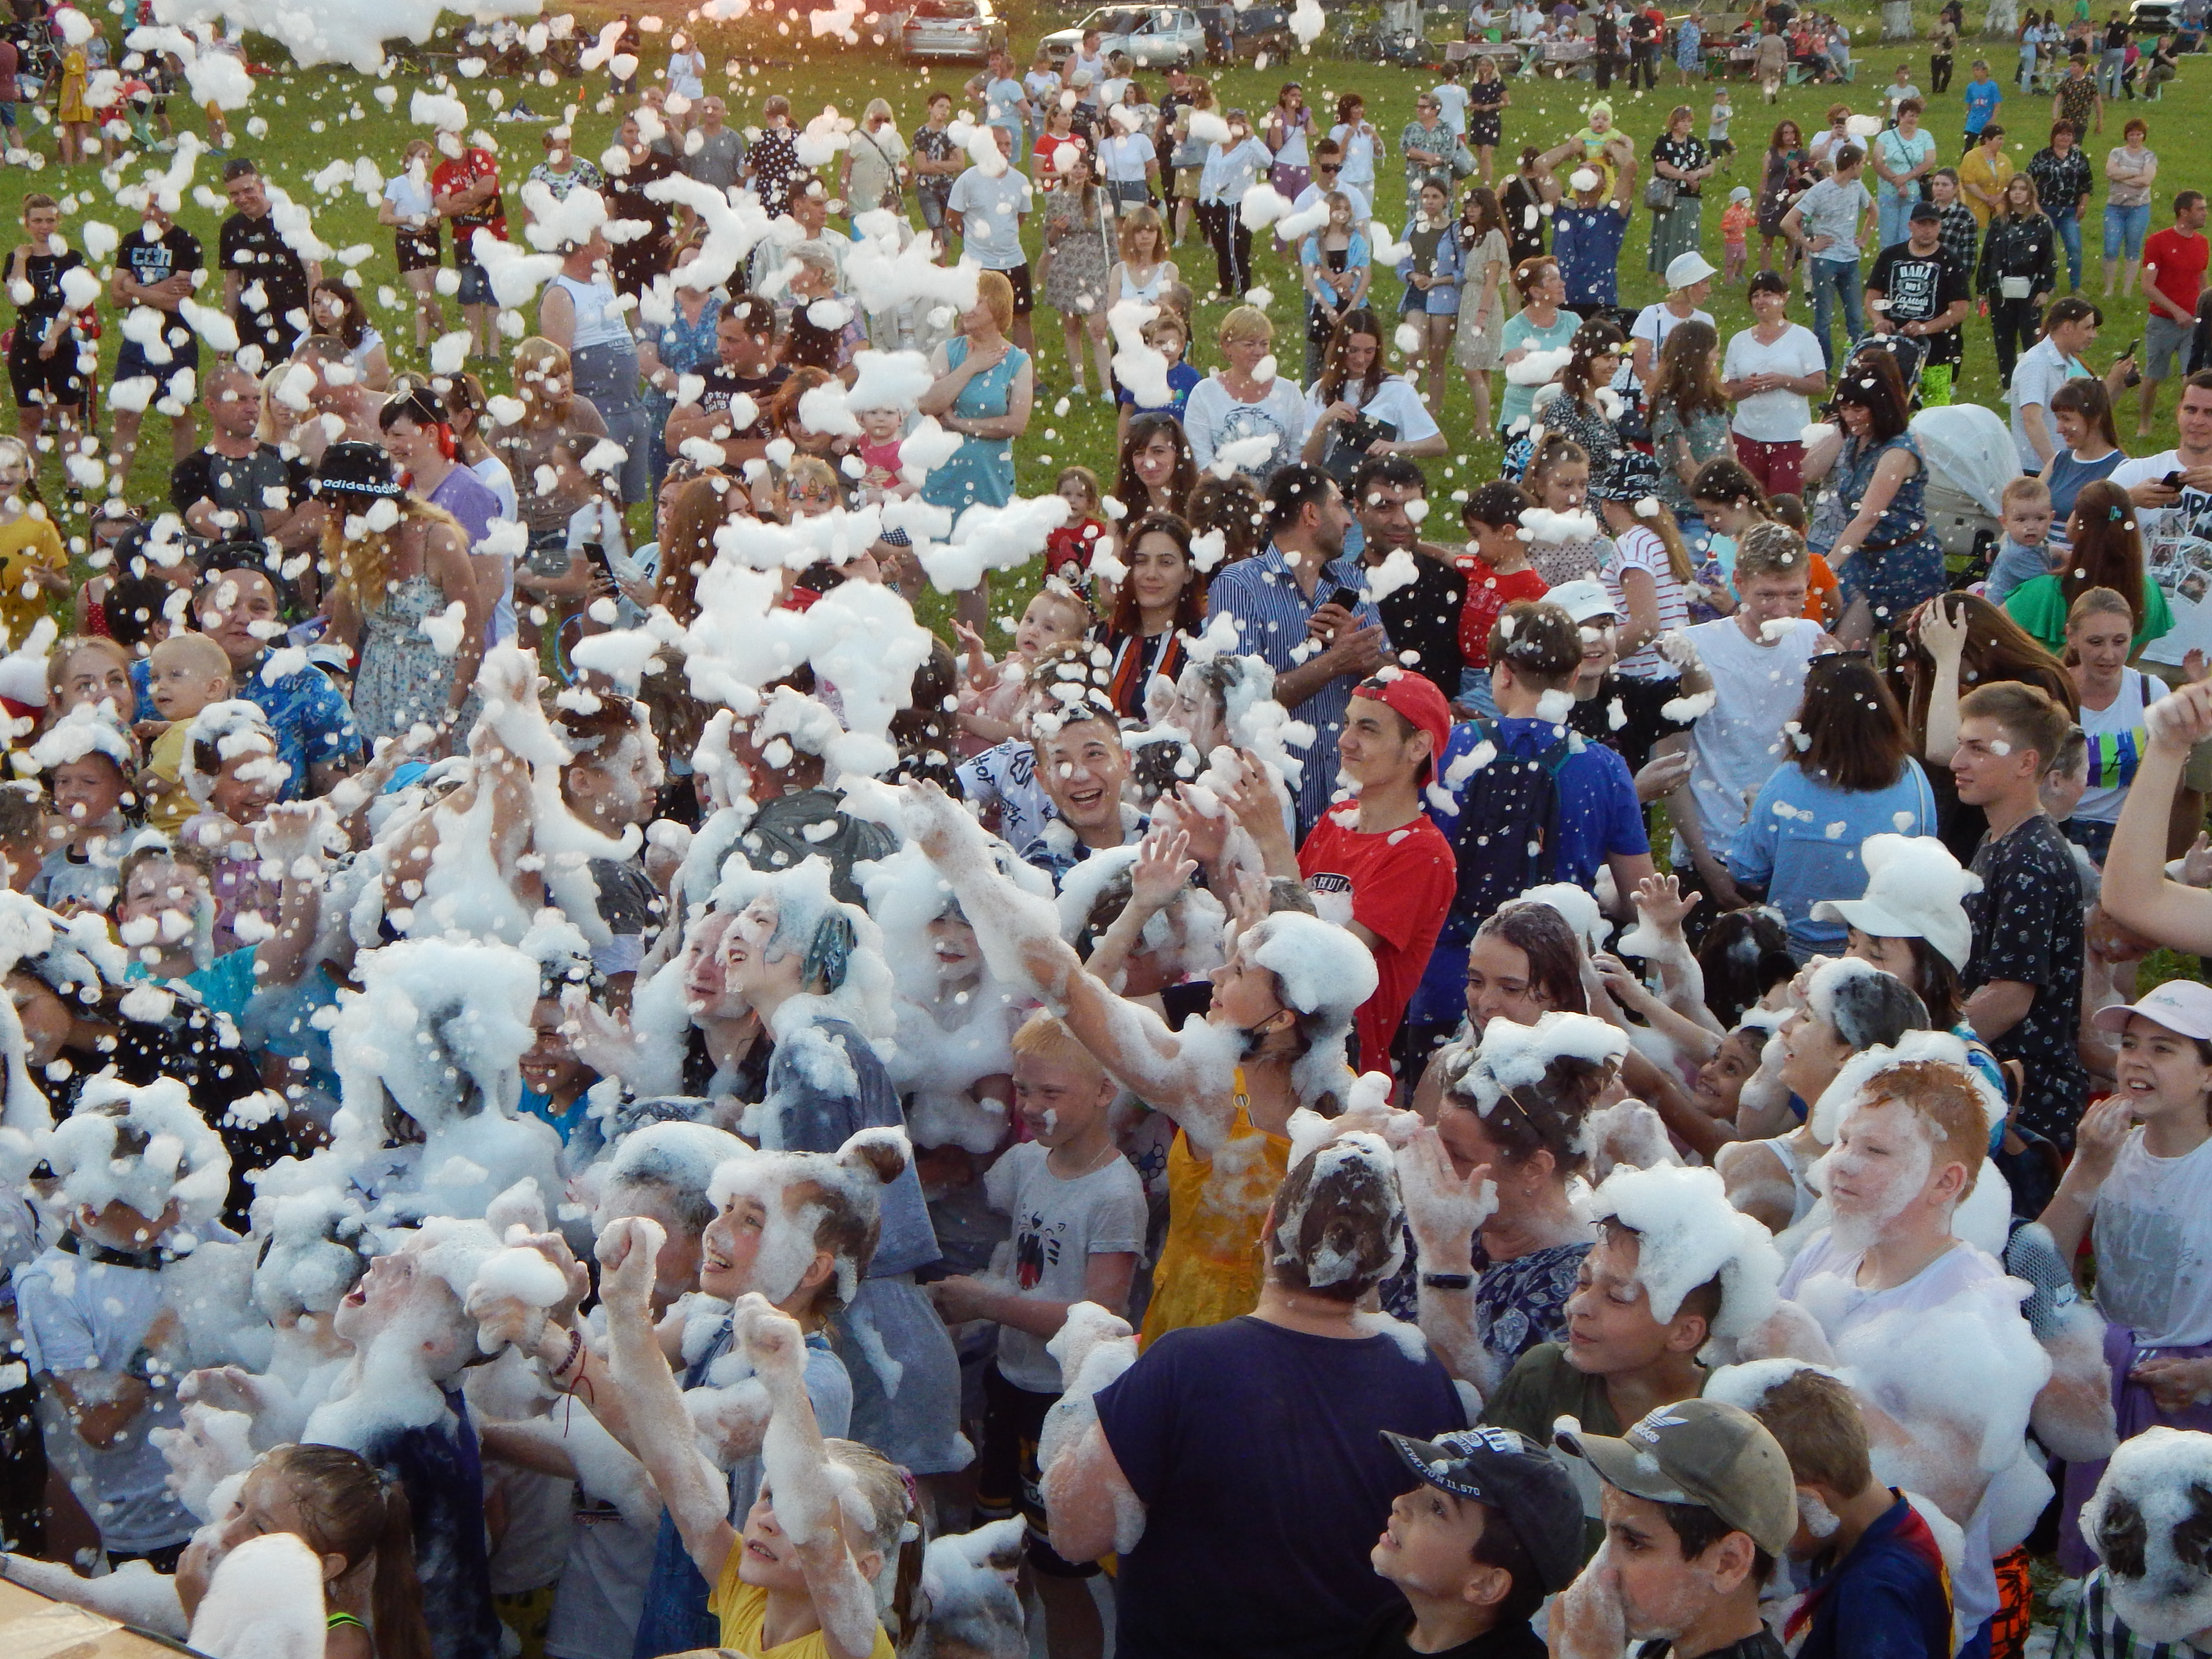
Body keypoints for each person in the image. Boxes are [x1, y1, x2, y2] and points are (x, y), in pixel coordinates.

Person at [1042, 1133, 1470, 1659]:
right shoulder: (1421, 1378)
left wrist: (1086, 1381)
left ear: (1270, 1227)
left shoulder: (1185, 1367)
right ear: (1389, 1260)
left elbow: (1074, 1532)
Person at [1205, 463, 1384, 832]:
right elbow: (1240, 701)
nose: (1350, 521)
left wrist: (1365, 658)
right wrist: (1334, 662)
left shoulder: (1353, 580)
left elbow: (1393, 678)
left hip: (1348, 794)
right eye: (1340, 506)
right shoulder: (1240, 584)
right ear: (1311, 514)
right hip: (1273, 799)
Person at [1731, 1365, 1956, 1659]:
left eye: (1765, 1510)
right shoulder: (1891, 1518)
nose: (1759, 1528)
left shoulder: (1874, 1597)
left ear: (1810, 1501)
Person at [1951, 680, 2092, 1145]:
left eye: (1978, 749)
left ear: (2026, 763)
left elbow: (2010, 998)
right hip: (1996, 1082)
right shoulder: (1999, 841)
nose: (1958, 763)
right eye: (1961, 746)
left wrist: (1933, 1048)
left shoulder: (2031, 856)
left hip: (2028, 1102)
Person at [1547, 1398, 1798, 1659]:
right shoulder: (1664, 1645)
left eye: (1634, 1543)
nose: (1601, 1572)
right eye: (1608, 1535)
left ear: (1728, 1563)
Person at [1730, 655, 1938, 960]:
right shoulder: (1913, 777)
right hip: (1884, 949)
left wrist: (1750, 816)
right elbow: (1925, 853)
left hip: (1797, 950)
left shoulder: (1788, 781)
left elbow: (1746, 870)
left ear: (1810, 716)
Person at [1672, 523, 1824, 908]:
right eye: (1767, 596)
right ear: (1739, 582)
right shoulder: (1698, 647)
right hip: (1715, 847)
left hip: (1787, 849)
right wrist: (1707, 867)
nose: (1781, 610)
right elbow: (1671, 766)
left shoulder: (1812, 639)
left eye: (1794, 595)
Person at [315, 443, 488, 751]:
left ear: (359, 501)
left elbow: (472, 637)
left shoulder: (437, 539)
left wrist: (449, 720)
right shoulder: (353, 542)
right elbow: (342, 634)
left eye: (331, 500)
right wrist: (293, 668)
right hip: (377, 690)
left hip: (440, 692)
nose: (325, 510)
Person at [1359, 1427, 1581, 1659]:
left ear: (1486, 1584)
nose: (1400, 1502)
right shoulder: (1388, 1625)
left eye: (1438, 1508)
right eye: (1421, 1486)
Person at [1803, 350, 1946, 646]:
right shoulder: (1853, 437)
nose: (1850, 417)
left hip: (1904, 561)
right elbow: (1806, 472)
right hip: (1865, 558)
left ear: (1879, 407)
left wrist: (1826, 568)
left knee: (1899, 654)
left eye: (1859, 410)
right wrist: (1840, 430)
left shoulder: (1899, 450)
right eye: (1844, 409)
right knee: (1845, 645)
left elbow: (1868, 516)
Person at [918, 273, 1034, 629]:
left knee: (974, 571)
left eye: (976, 300)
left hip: (987, 477)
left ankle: (971, 655)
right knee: (918, 560)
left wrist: (963, 426)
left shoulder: (1018, 362)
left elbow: (1016, 423)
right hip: (944, 472)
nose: (967, 307)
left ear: (997, 307)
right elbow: (928, 402)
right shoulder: (949, 352)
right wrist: (971, 367)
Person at [2004, 478, 2173, 656]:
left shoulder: (2044, 592)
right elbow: (2128, 663)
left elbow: (1987, 637)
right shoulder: (2150, 593)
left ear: (2077, 524)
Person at [106, 192, 203, 481]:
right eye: (145, 205)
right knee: (126, 414)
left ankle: (183, 482)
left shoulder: (187, 243)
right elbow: (115, 298)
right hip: (137, 336)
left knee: (178, 411)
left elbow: (177, 302)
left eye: (156, 206)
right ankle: (116, 487)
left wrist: (135, 290)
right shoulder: (131, 241)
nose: (150, 212)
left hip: (175, 337)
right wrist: (160, 289)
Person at [1303, 311, 1447, 483]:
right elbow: (1308, 464)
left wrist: (1398, 447)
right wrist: (1324, 422)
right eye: (1353, 350)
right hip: (1331, 489)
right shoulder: (1320, 389)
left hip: (1379, 488)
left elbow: (1438, 444)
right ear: (1340, 348)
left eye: (1369, 351)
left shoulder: (1397, 389)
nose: (1361, 359)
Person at [1721, 271, 1826, 495]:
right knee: (1748, 503)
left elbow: (1819, 385)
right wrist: (1747, 387)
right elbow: (1727, 391)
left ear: (1784, 298)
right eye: (1756, 296)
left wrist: (1784, 381)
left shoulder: (1803, 338)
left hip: (1790, 436)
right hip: (1747, 435)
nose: (1761, 301)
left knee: (1784, 505)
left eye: (1768, 294)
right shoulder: (1739, 341)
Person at [1183, 307, 1309, 488]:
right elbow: (1200, 460)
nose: (1259, 352)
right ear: (1227, 347)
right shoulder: (1204, 393)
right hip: (1223, 499)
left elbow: (1297, 455)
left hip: (1280, 500)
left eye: (1264, 344)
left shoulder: (1290, 392)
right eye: (1249, 345)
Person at [1864, 202, 1974, 408]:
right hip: (1894, 352)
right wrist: (1879, 320)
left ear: (1940, 227)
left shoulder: (1950, 261)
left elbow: (1960, 310)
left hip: (1938, 354)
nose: (1927, 230)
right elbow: (1872, 297)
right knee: (1893, 410)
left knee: (1936, 416)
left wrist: (1924, 328)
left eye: (1932, 225)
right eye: (1922, 224)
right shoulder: (1890, 256)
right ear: (1911, 226)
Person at [2009, 296, 2136, 471]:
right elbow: (2031, 419)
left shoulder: (2068, 363)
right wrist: (2054, 469)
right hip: (2036, 471)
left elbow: (2092, 415)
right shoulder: (2036, 363)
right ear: (2068, 328)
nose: (2094, 335)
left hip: (2061, 465)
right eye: (2088, 328)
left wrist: (2118, 383)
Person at [1781, 143, 1875, 370]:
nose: (1864, 168)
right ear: (1853, 165)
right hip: (1826, 261)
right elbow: (1788, 222)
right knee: (1823, 318)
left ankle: (1859, 365)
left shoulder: (1857, 186)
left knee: (1856, 318)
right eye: (1862, 164)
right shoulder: (1820, 190)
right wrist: (1810, 244)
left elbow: (1873, 210)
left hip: (1850, 260)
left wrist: (1863, 239)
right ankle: (1823, 367)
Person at [946, 129, 1036, 354]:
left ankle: (1028, 375)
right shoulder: (968, 180)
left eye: (1008, 144)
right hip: (980, 264)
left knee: (1022, 317)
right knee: (970, 319)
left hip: (1014, 261)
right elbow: (952, 218)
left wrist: (1002, 237)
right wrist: (976, 239)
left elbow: (1019, 218)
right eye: (999, 145)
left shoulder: (1020, 181)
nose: (1005, 150)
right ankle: (954, 363)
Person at [1037, 153, 1116, 399]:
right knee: (1071, 326)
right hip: (1066, 266)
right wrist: (1056, 230)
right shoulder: (1056, 198)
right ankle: (1079, 383)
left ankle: (1107, 387)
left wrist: (1116, 269)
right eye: (1074, 166)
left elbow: (1111, 234)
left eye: (1084, 166)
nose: (1079, 171)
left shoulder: (1100, 195)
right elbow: (1048, 241)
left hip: (1095, 265)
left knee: (1098, 328)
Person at [1539, 137, 1638, 319]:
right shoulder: (1561, 211)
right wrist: (1571, 148)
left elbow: (1630, 166)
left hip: (1601, 302)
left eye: (1594, 170)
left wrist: (1611, 147)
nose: (1586, 171)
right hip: (1561, 300)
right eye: (1580, 169)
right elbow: (1541, 165)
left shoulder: (1613, 213)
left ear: (1604, 183)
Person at [2140, 191, 2208, 439]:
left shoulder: (2202, 243)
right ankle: (2145, 423)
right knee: (2154, 375)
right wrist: (2175, 310)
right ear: (2184, 212)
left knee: (2192, 378)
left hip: (2194, 323)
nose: (2205, 214)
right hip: (2163, 323)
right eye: (2200, 209)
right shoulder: (2158, 242)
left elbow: (2202, 279)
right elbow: (2147, 285)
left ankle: (2190, 426)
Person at [1982, 173, 2061, 388]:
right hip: (2001, 290)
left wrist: (2046, 289)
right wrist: (1983, 289)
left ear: (2030, 193)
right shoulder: (1999, 223)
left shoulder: (2042, 223)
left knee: (2031, 340)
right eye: (2014, 188)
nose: (2018, 193)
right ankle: (2008, 384)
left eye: (2022, 189)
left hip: (2031, 290)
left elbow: (2050, 259)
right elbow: (1988, 256)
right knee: (2003, 339)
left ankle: (2032, 383)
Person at [430, 137, 505, 362]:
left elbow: (487, 188)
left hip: (495, 237)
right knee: (469, 293)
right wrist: (471, 198)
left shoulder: (480, 157)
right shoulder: (440, 172)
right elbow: (444, 206)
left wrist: (458, 201)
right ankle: (477, 348)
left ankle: (494, 350)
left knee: (495, 294)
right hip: (465, 241)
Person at [1497, 257, 1580, 439]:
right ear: (1535, 291)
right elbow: (1521, 374)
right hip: (1523, 420)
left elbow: (1586, 362)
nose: (1563, 284)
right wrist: (1562, 374)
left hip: (1567, 419)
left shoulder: (1573, 321)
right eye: (1554, 280)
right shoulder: (1514, 328)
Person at [1299, 193, 1373, 385]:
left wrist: (1352, 308)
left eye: (1346, 209)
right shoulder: (1313, 243)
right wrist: (1326, 308)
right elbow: (1309, 280)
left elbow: (1366, 277)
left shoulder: (1357, 240)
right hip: (1327, 304)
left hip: (1355, 303)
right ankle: (1330, 392)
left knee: (1358, 353)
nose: (1343, 213)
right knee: (1331, 357)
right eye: (1338, 208)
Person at [1197, 108, 1272, 300]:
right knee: (1221, 248)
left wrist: (1252, 138)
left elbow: (1267, 161)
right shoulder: (1216, 146)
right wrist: (1205, 197)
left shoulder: (1249, 148)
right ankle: (1225, 290)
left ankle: (1243, 290)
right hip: (1217, 203)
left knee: (1236, 249)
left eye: (1239, 122)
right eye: (1231, 122)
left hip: (1238, 204)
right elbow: (1209, 172)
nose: (1234, 127)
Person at [1648, 105, 1714, 280]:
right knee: (1666, 237)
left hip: (1690, 199)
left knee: (1688, 238)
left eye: (1689, 121)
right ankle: (1664, 275)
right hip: (1668, 198)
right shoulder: (1664, 142)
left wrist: (1697, 174)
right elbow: (1662, 167)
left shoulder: (1695, 144)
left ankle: (1686, 275)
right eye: (1683, 121)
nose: (1687, 125)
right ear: (1675, 123)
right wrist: (1685, 177)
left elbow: (1709, 167)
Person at [2029, 119, 2093, 294]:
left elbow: (2087, 183)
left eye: (2068, 134)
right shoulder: (2042, 155)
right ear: (2054, 137)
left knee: (2074, 247)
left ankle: (2076, 285)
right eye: (2061, 134)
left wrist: (2083, 204)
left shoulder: (2079, 157)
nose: (2065, 138)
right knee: (2048, 250)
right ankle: (2048, 285)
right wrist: (2035, 206)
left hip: (2070, 212)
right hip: (2046, 210)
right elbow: (2029, 182)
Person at [2103, 118, 2158, 297]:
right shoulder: (2116, 153)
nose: (2135, 138)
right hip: (2115, 207)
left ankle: (2127, 291)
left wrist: (2122, 176)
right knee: (2111, 248)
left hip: (2139, 208)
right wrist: (2135, 174)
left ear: (2144, 136)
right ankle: (2109, 288)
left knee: (2133, 248)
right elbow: (2110, 172)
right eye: (2131, 134)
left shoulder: (2149, 156)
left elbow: (2147, 180)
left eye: (2138, 134)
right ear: (2126, 136)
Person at [1960, 124, 2016, 231]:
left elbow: (2010, 183)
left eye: (2002, 139)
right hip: (1976, 207)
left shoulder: (2005, 159)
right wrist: (1987, 199)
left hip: (2000, 209)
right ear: (1987, 140)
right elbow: (1968, 182)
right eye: (1999, 139)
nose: (2002, 142)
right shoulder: (1971, 157)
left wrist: (1999, 198)